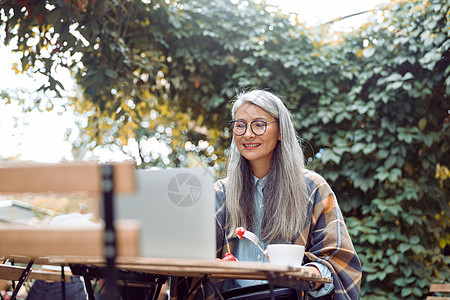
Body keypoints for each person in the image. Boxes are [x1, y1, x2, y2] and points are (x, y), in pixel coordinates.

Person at [173, 90, 361, 299]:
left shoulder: (312, 188)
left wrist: (310, 273)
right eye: (240, 125)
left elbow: (339, 262)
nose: (248, 134)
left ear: (280, 131)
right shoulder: (220, 193)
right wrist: (209, 266)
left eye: (259, 124)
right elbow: (190, 260)